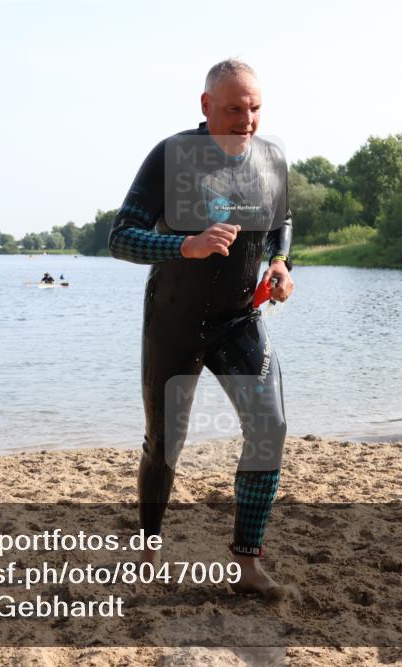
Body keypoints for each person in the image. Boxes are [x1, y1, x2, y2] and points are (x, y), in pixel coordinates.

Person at [108, 59, 295, 600]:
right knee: (166, 444)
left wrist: (281, 265)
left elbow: (282, 222)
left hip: (240, 318)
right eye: (234, 108)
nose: (247, 119)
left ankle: (246, 563)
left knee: (270, 429)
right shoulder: (171, 158)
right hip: (174, 321)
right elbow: (121, 238)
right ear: (206, 105)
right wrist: (182, 246)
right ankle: (147, 546)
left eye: (255, 107)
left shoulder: (271, 158)